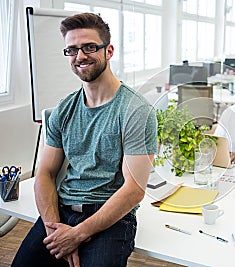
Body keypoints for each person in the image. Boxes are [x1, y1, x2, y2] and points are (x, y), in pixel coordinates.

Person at [12, 13, 157, 267]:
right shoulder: (64, 109)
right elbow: (44, 173)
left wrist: (77, 235)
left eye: (89, 47)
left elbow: (134, 190)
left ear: (108, 50)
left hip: (111, 218)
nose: (80, 56)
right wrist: (56, 233)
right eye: (72, 50)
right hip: (63, 210)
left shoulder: (135, 110)